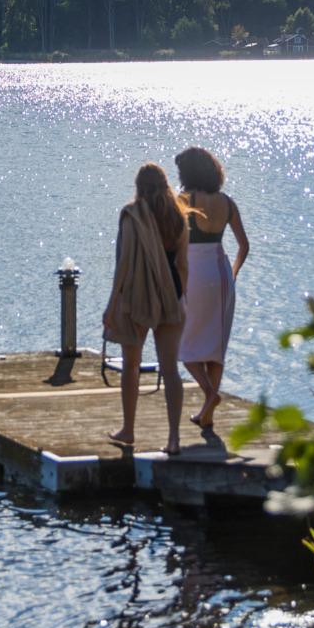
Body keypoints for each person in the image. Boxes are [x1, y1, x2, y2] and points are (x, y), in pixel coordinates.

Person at [102, 163, 188, 454]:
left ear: (138, 186)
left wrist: (112, 303)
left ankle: (128, 430)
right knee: (170, 368)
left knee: (131, 365)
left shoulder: (132, 215)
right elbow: (182, 264)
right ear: (165, 185)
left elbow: (124, 264)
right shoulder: (178, 216)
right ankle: (174, 438)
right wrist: (182, 297)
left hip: (137, 296)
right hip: (171, 295)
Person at [173, 144, 248, 433]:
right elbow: (244, 245)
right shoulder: (227, 202)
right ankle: (207, 413)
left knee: (185, 342)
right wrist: (233, 275)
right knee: (215, 347)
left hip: (193, 272)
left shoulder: (184, 199)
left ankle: (209, 395)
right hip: (220, 273)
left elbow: (169, 239)